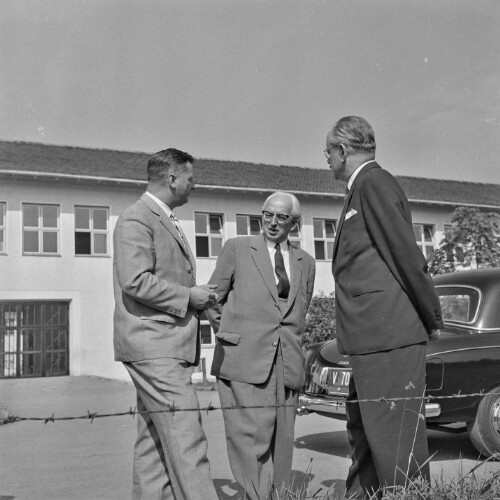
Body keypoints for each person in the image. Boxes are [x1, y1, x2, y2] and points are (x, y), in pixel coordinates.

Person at [325, 117, 443, 498]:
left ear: (343, 151)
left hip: (389, 339)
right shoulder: (361, 187)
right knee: (367, 439)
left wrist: (431, 318)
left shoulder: (373, 183)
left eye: (328, 152)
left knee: (395, 449)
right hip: (371, 340)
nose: (326, 159)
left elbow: (406, 256)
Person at [113, 148, 219, 500]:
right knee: (187, 438)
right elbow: (135, 280)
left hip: (162, 345)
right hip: (155, 345)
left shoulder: (163, 217)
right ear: (172, 179)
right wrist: (190, 297)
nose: (194, 184)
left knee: (154, 444)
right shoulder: (137, 218)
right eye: (191, 178)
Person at [206, 191, 315, 500]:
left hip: (287, 362)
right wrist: (232, 335)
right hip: (244, 359)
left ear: (294, 223)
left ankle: (277, 495)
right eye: (267, 215)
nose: (271, 222)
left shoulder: (305, 262)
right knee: (250, 439)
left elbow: (299, 311)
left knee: (283, 440)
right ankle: (256, 495)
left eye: (281, 217)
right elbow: (213, 301)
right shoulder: (237, 249)